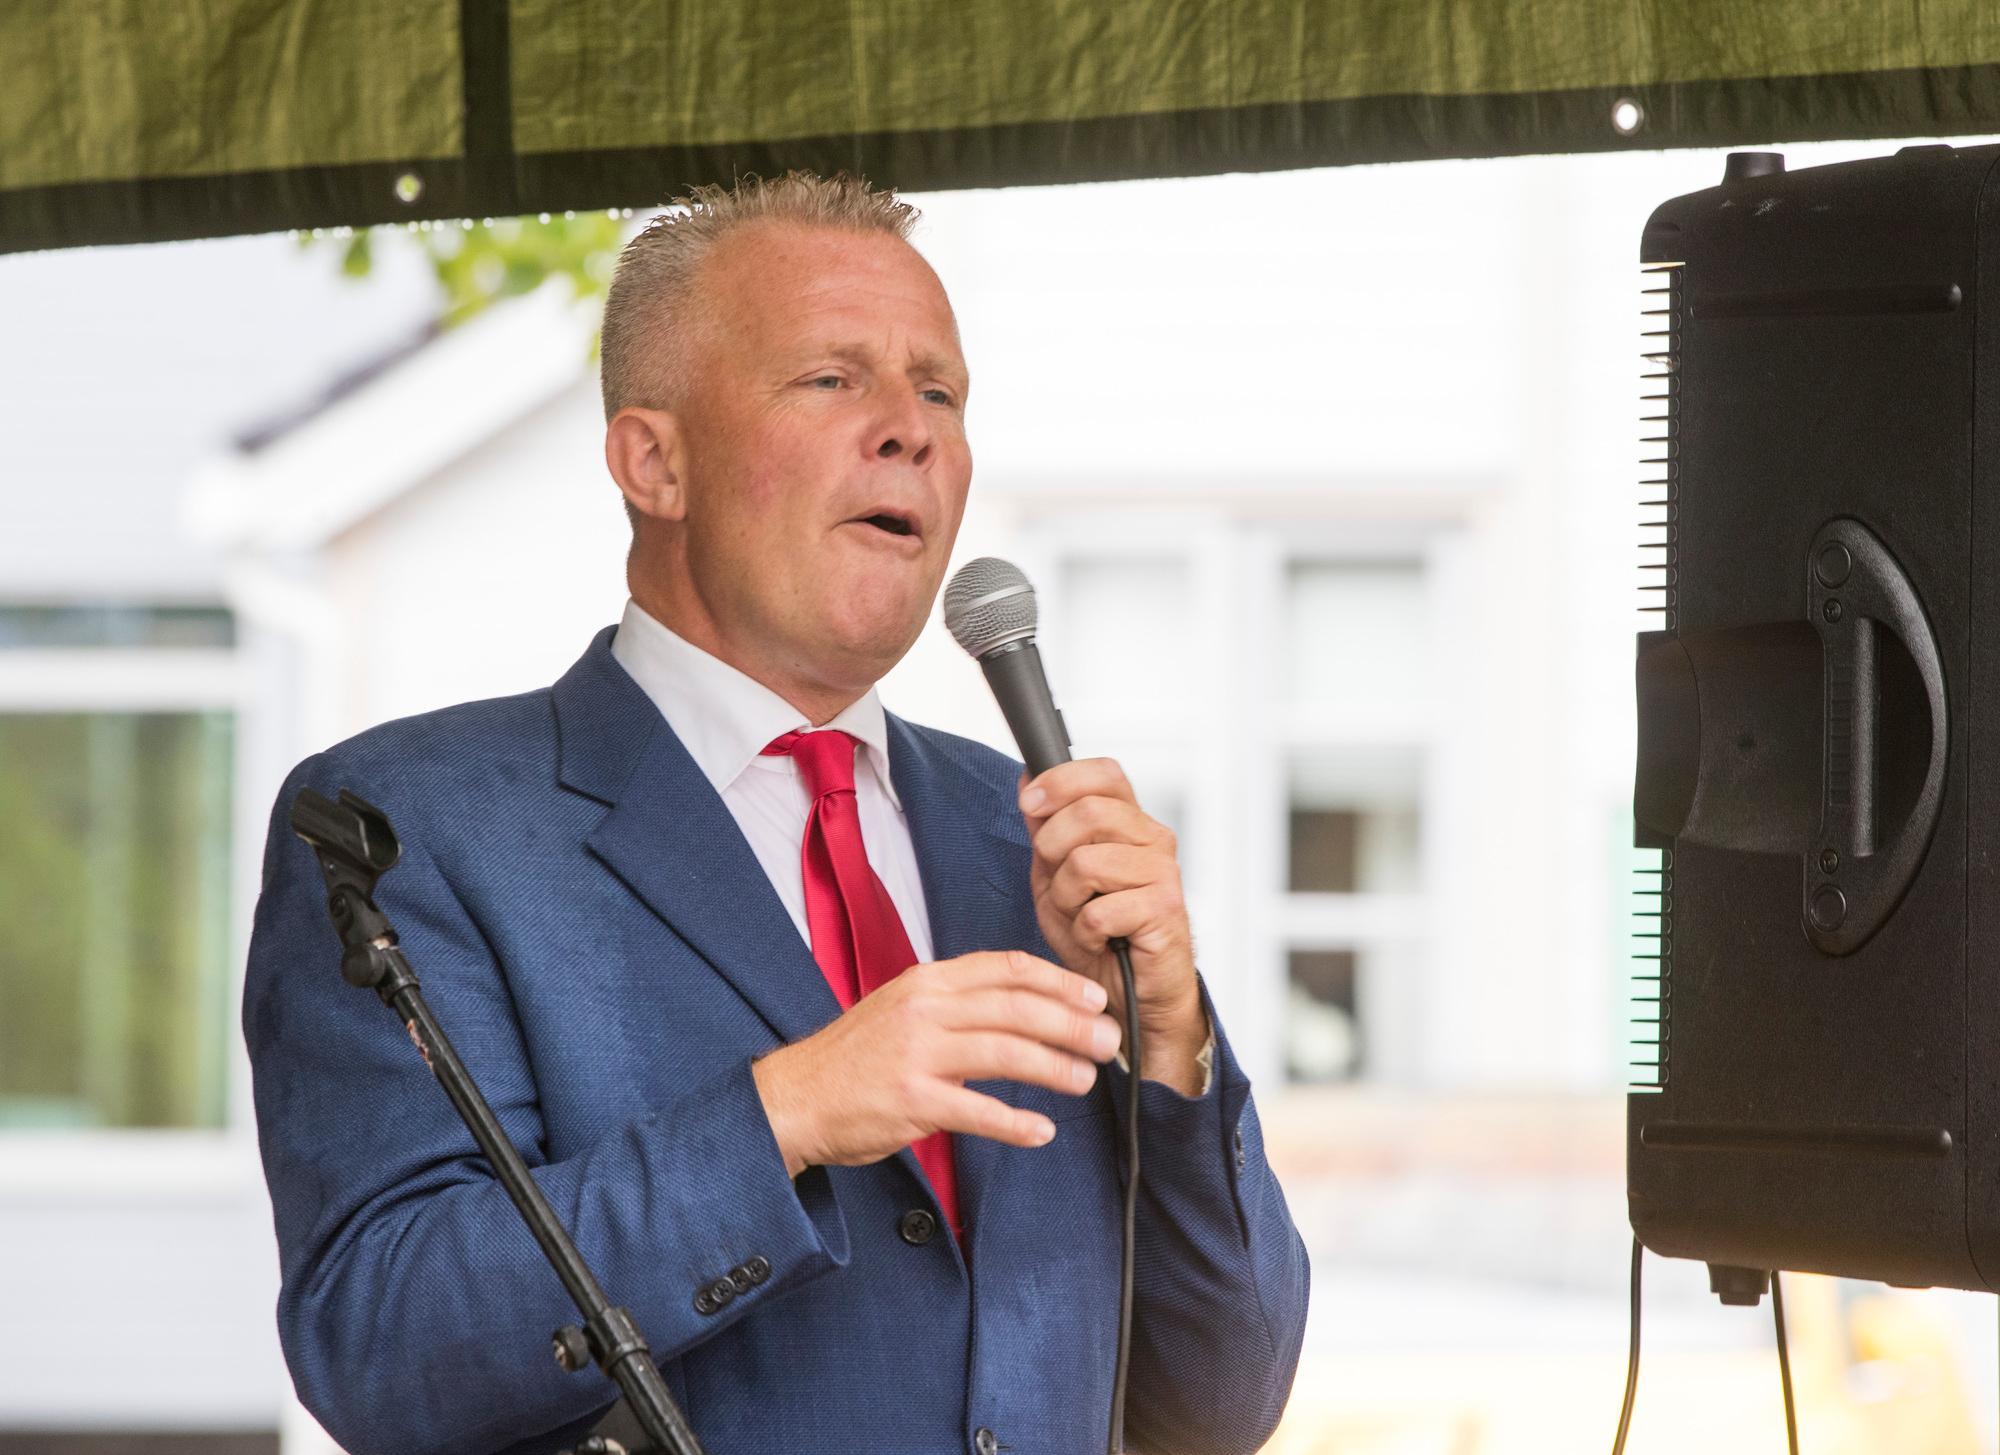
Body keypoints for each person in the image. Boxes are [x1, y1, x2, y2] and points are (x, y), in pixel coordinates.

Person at [244, 171, 1308, 1455]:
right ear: (655, 460)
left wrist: (1172, 1042)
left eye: (939, 392)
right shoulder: (404, 829)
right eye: (830, 379)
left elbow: (1215, 1407)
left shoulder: (1022, 836)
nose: (908, 429)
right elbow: (385, 1348)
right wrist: (788, 1112)